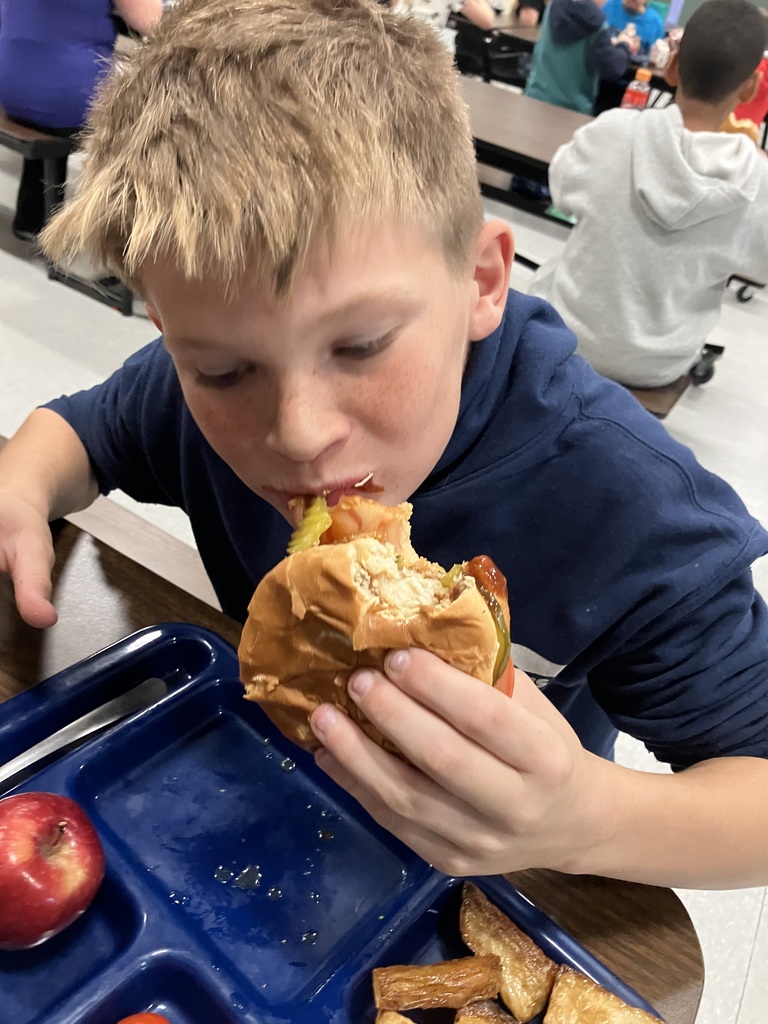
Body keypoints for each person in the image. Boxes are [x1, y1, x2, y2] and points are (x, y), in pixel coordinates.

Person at [2, 0, 767, 891]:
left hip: (498, 868)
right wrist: (24, 484)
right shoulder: (186, 392)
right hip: (259, 813)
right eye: (222, 372)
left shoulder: (627, 503)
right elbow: (78, 433)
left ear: (482, 282)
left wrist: (587, 820)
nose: (298, 430)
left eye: (360, 347)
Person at [529, 0, 768, 389]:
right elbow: (760, 267)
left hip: (568, 331)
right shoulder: (757, 181)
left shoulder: (611, 131)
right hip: (660, 363)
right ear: (750, 89)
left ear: (671, 67)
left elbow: (560, 188)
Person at [0, 0, 162, 242]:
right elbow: (154, 24)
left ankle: (32, 217)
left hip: (11, 86)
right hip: (67, 97)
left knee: (54, 51)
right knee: (149, 101)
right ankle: (126, 240)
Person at [524, 0, 639, 115]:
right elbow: (615, 67)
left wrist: (606, 42)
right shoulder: (595, 23)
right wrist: (624, 44)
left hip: (534, 97)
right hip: (573, 110)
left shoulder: (554, 6)